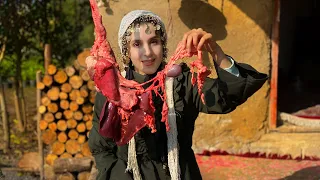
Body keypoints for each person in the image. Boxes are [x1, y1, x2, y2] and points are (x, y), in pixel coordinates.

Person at [88, 10, 268, 180]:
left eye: (154, 42)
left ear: (163, 45)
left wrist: (215, 51)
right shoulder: (113, 91)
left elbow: (225, 98)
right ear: (126, 51)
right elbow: (101, 147)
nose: (148, 52)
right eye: (137, 44)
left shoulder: (182, 83)